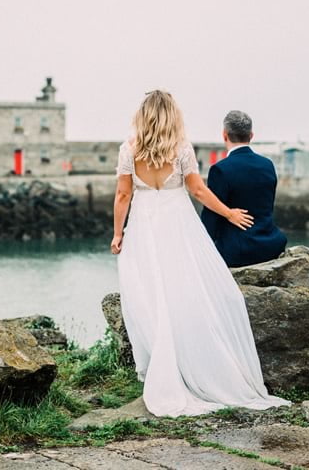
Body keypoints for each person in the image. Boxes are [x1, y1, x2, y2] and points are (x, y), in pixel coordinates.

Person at [111, 90, 290, 417]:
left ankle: (159, 363)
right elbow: (197, 191)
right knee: (183, 291)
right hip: (177, 224)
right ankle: (189, 361)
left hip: (144, 226)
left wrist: (117, 234)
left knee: (149, 293)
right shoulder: (181, 148)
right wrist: (229, 213)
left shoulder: (129, 149)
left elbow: (123, 195)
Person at [201, 111, 287, 267]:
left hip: (237, 251)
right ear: (251, 135)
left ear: (224, 135)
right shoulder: (267, 165)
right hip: (271, 245)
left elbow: (211, 217)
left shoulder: (220, 170)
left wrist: (203, 248)